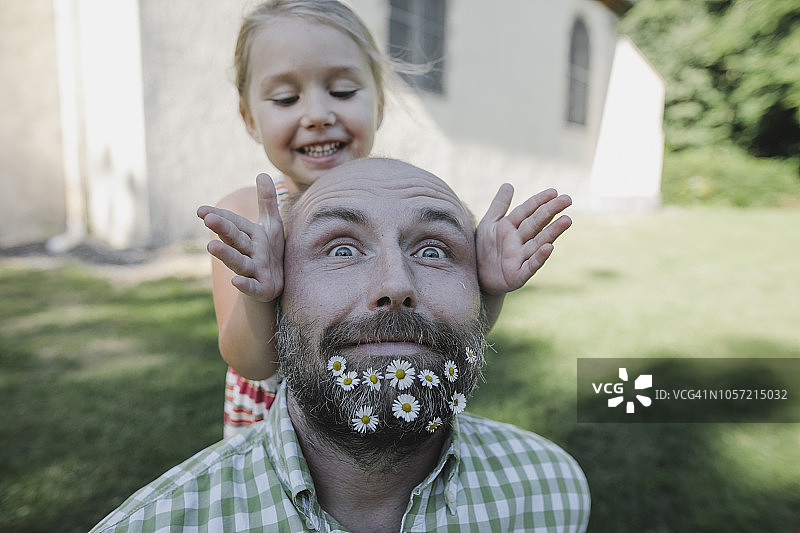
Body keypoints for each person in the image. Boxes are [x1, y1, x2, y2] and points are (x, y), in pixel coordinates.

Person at [92, 158, 590, 532]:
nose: (396, 284)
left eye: (435, 250)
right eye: (342, 249)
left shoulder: (553, 491)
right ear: (276, 293)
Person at [200, 0, 573, 438]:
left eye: (342, 92)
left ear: (379, 104)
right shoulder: (248, 215)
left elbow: (444, 335)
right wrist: (259, 296)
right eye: (286, 98)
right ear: (250, 119)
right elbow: (249, 362)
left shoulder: (407, 204)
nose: (318, 115)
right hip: (283, 430)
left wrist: (488, 290)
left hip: (384, 410)